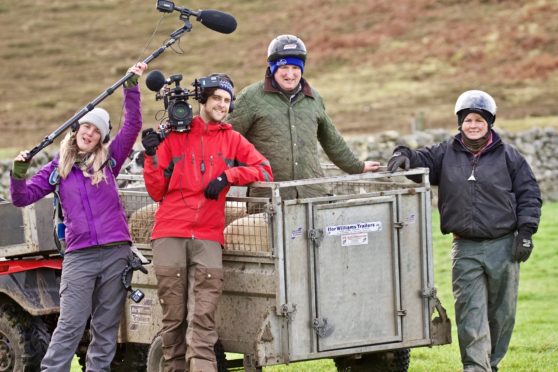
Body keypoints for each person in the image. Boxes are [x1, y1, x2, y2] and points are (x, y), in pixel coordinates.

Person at [387, 90, 542, 372]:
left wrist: (526, 233)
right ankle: (475, 366)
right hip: (465, 247)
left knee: (502, 314)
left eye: (479, 120)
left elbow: (529, 193)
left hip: (503, 245)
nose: (473, 125)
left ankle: (490, 363)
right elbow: (419, 159)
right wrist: (402, 154)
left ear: (489, 123)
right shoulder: (445, 153)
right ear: (460, 123)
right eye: (468, 120)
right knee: (470, 310)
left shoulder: (509, 156)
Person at [10, 62, 147, 371]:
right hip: (79, 256)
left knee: (105, 328)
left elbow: (132, 126)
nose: (90, 132)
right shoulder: (57, 169)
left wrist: (131, 88)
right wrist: (18, 173)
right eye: (86, 126)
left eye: (97, 130)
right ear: (77, 129)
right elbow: (22, 197)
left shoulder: (110, 161)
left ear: (102, 139)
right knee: (70, 325)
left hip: (116, 252)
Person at [141, 73, 273, 372]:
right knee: (173, 318)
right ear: (203, 100)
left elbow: (265, 170)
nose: (222, 105)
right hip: (170, 233)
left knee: (203, 318)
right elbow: (155, 191)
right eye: (217, 98)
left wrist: (229, 176)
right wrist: (150, 155)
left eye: (227, 101)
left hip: (209, 237)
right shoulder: (173, 137)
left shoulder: (232, 139)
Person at [227, 34, 380, 199]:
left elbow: (332, 139)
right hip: (268, 196)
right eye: (283, 67)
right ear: (272, 68)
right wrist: (227, 174)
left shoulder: (313, 98)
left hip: (313, 193)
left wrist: (357, 167)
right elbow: (227, 139)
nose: (290, 74)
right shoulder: (251, 97)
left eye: (296, 68)